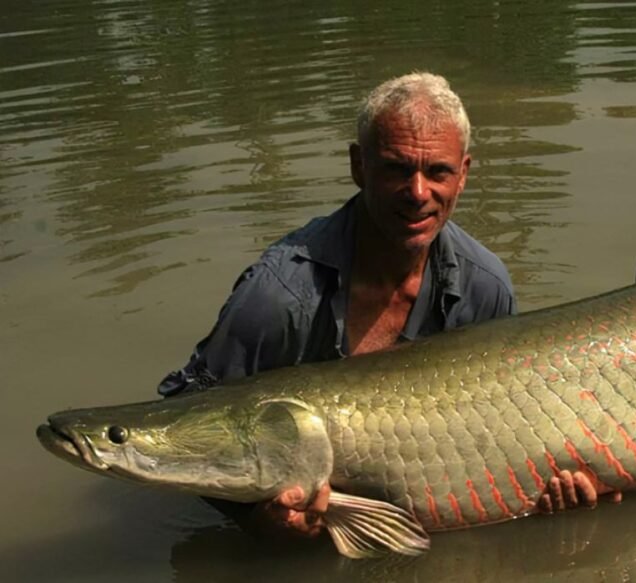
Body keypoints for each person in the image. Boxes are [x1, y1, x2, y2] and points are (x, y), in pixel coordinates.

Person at [159, 72, 594, 539]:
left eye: (438, 172)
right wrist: (257, 519)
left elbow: (503, 426)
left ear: (464, 173)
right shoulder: (278, 296)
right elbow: (185, 424)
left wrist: (546, 491)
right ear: (358, 166)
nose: (419, 192)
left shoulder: (484, 286)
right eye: (397, 168)